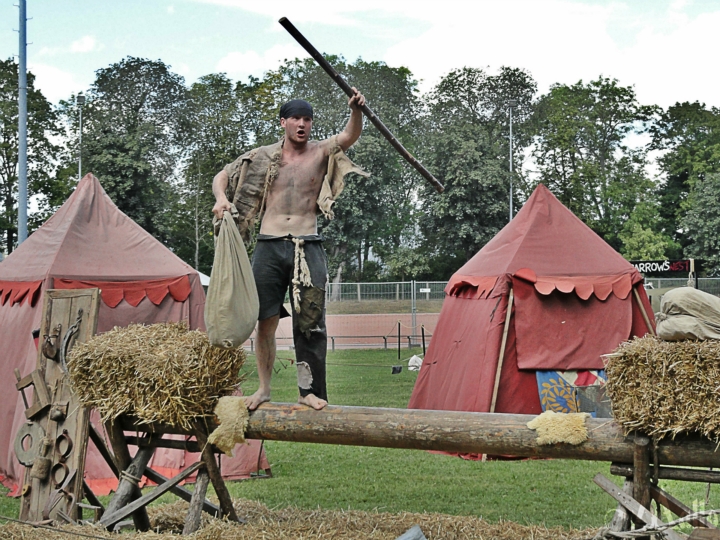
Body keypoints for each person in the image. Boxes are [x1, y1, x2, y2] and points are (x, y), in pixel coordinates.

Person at [212, 88, 368, 411]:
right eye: (295, 118)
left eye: (307, 119)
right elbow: (222, 176)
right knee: (264, 321)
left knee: (309, 324)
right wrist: (221, 199)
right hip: (269, 246)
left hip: (306, 245)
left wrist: (356, 110)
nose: (302, 124)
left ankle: (307, 391)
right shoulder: (262, 157)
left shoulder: (320, 152)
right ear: (283, 122)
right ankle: (264, 388)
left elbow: (349, 136)